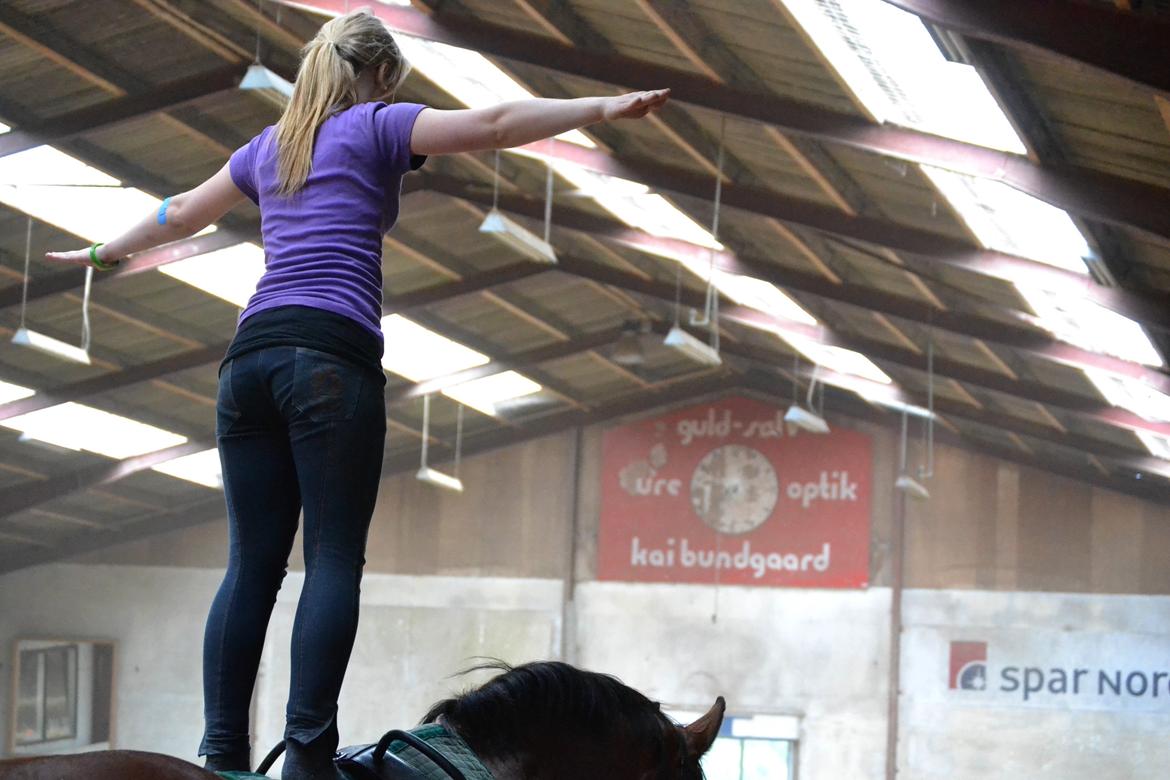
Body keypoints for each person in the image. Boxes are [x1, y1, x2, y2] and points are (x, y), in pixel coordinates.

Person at [45, 9, 669, 779]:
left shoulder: (265, 149)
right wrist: (601, 109)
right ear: (378, 75)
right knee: (332, 560)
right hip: (330, 357)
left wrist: (104, 254)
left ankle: (222, 753)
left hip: (248, 363)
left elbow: (178, 214)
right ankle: (307, 753)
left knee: (251, 566)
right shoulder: (377, 125)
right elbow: (499, 121)